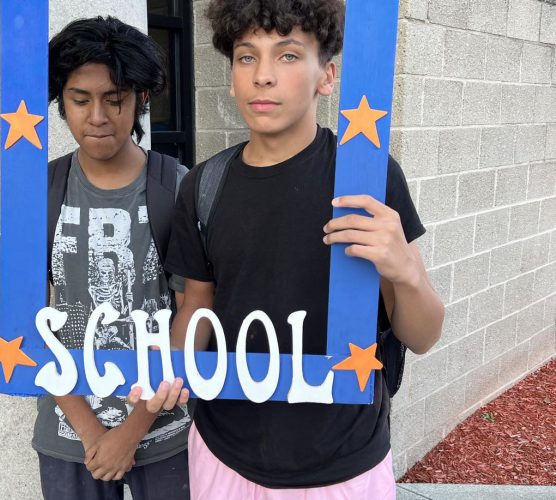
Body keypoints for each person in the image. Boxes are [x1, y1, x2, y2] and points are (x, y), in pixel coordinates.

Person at [129, 1, 445, 498]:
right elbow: (196, 305)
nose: (264, 76)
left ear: (328, 76)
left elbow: (423, 336)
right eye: (246, 57)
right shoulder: (204, 185)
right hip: (223, 452)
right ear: (232, 76)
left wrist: (405, 269)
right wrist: (173, 366)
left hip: (343, 462)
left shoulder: (368, 178)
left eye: (290, 56)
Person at [15, 16, 191, 500]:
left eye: (114, 99)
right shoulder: (35, 193)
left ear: (140, 100)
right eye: (80, 99)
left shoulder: (179, 188)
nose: (97, 116)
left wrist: (132, 430)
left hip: (166, 433)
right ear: (60, 102)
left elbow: (193, 315)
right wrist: (93, 432)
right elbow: (30, 320)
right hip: (68, 432)